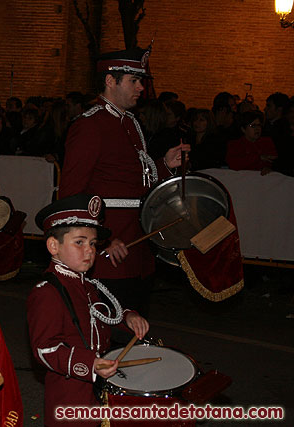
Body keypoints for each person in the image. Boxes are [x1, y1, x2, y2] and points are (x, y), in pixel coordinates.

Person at [59, 48, 189, 319]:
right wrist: (103, 239)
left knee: (135, 331)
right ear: (110, 81)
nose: (141, 87)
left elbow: (138, 182)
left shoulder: (131, 122)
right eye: (134, 80)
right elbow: (71, 195)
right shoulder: (90, 125)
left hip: (139, 248)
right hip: (110, 251)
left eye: (141, 81)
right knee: (109, 333)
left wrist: (165, 164)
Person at [27, 193, 149, 427]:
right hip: (69, 395)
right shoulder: (47, 292)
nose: (89, 250)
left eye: (92, 244)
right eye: (79, 242)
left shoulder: (88, 284)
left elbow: (104, 313)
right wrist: (91, 363)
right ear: (54, 246)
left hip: (97, 388)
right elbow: (45, 349)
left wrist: (129, 317)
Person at [226, 110, 278, 175]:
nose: (257, 128)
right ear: (243, 129)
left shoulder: (267, 142)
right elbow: (234, 164)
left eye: (259, 125)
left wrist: (268, 168)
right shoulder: (235, 145)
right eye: (253, 126)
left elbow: (274, 160)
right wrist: (258, 158)